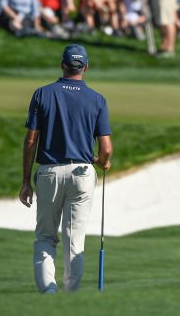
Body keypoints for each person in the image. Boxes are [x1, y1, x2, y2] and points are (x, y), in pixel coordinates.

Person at [19, 45, 111, 294]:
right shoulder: (97, 99)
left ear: (62, 65)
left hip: (49, 172)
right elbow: (106, 149)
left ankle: (48, 292)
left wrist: (26, 181)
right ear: (86, 68)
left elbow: (30, 141)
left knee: (46, 237)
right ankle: (71, 295)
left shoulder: (42, 94)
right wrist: (102, 161)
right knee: (74, 239)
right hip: (82, 173)